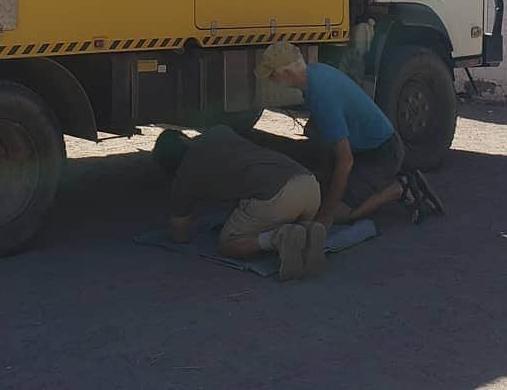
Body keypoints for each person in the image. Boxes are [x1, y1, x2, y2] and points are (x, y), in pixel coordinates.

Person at [257, 42, 404, 229]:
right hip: (365, 144)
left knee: (339, 214)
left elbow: (346, 161)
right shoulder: (314, 73)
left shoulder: (321, 96)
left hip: (382, 153)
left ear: (287, 73)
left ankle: (394, 189)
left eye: (272, 75)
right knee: (321, 184)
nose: (271, 80)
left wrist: (326, 215)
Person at [156, 125, 326, 281]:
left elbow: (180, 235)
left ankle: (278, 238)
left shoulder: (183, 180)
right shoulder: (218, 131)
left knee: (227, 245)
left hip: (278, 197)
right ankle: (308, 230)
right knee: (281, 216)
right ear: (184, 139)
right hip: (310, 184)